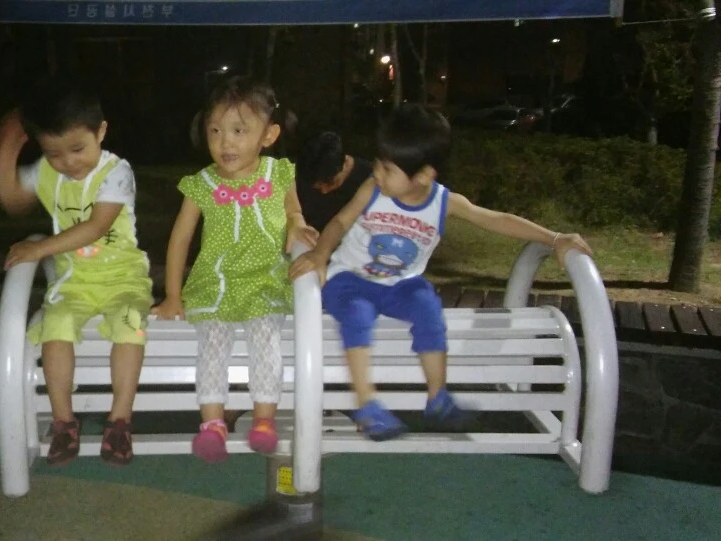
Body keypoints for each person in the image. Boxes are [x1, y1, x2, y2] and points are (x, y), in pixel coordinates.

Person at [289, 103, 593, 441]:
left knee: (428, 305)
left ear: (423, 176)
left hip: (400, 284)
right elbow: (340, 222)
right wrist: (320, 255)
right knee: (357, 314)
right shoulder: (372, 189)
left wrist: (555, 238)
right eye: (377, 162)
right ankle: (367, 404)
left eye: (387, 168)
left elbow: (496, 219)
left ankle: (438, 396)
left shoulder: (443, 203)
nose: (376, 172)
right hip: (350, 279)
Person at [0, 75, 153, 466]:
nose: (68, 162)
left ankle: (119, 421)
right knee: (56, 324)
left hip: (123, 278)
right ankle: (64, 422)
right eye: (54, 153)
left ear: (101, 132)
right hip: (72, 280)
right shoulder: (47, 171)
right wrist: (7, 151)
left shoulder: (116, 171)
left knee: (130, 324)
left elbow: (96, 227)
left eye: (78, 149)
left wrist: (39, 248)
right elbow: (12, 199)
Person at [153, 76, 318, 463]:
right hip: (217, 284)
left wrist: (296, 225)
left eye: (239, 131)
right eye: (215, 131)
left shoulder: (279, 174)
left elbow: (294, 212)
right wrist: (173, 295)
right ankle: (212, 424)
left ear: (268, 135)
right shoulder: (202, 184)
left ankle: (264, 419)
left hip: (264, 281)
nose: (225, 142)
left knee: (265, 340)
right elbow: (180, 240)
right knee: (212, 344)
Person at [295, 131, 373, 232]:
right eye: (318, 186)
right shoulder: (304, 174)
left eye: (331, 183)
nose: (324, 191)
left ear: (345, 162)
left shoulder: (370, 180)